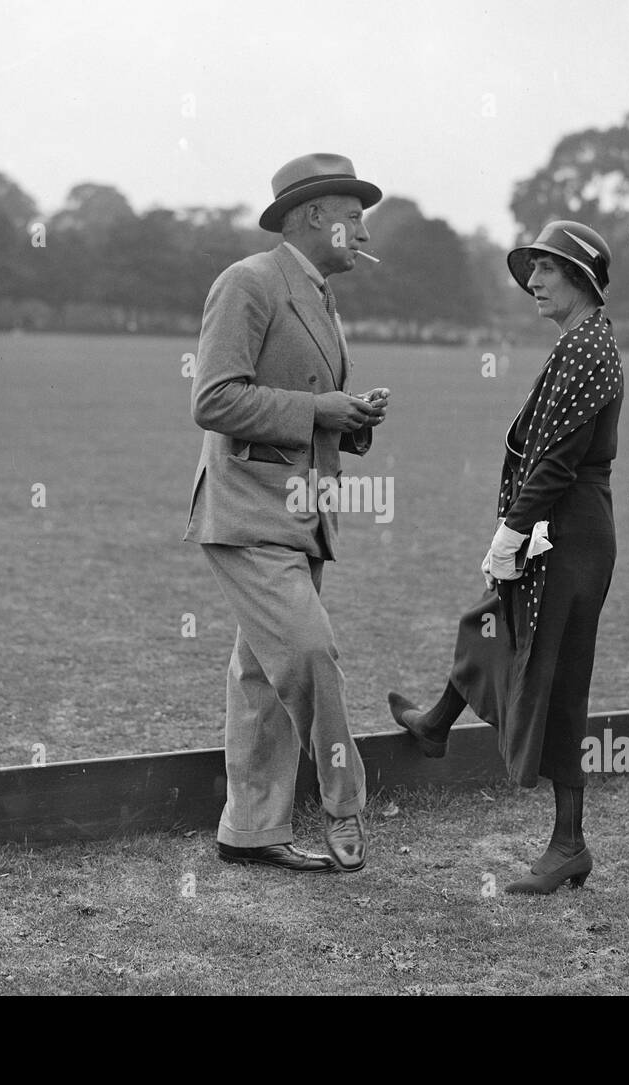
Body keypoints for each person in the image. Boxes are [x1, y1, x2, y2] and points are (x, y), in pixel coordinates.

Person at [388, 220, 623, 894]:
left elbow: (554, 461)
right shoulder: (579, 341)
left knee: (558, 679)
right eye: (532, 271)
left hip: (569, 531)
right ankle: (436, 723)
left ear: (578, 276)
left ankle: (568, 843)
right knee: (493, 620)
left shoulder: (586, 348)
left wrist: (510, 533)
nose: (534, 284)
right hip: (561, 527)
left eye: (546, 270)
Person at [183, 153, 391, 873]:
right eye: (354, 215)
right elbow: (212, 399)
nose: (364, 229)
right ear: (313, 219)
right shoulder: (249, 282)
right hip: (246, 510)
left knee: (262, 676)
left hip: (304, 511)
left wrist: (351, 419)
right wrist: (318, 408)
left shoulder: (322, 297)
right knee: (306, 652)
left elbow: (307, 406)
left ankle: (250, 829)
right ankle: (345, 802)